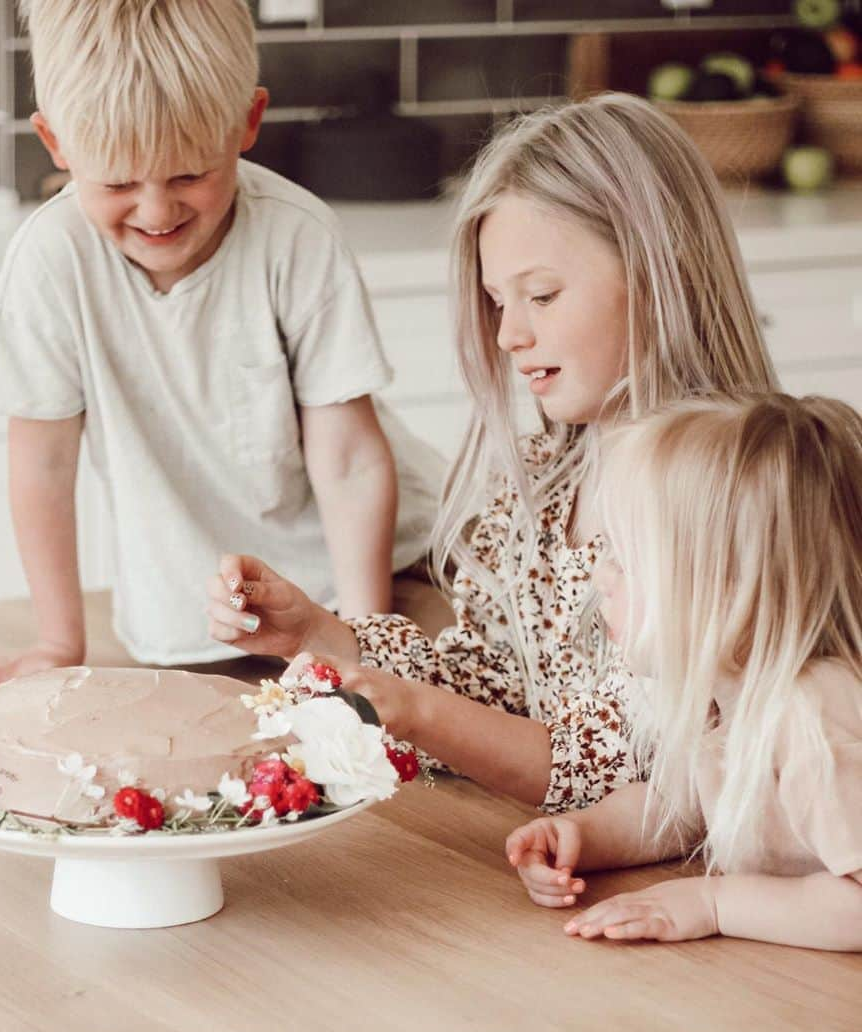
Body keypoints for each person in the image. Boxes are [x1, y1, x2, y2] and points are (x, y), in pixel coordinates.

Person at [207, 93, 777, 813]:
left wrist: (418, 714)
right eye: (497, 303)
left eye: (541, 295)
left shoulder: (725, 496)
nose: (509, 336)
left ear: (663, 272)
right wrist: (322, 636)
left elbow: (626, 767)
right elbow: (499, 682)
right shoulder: (544, 479)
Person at [0, 0, 442, 692]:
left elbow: (349, 461)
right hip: (194, 622)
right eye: (116, 183)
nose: (157, 211)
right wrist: (57, 641)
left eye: (190, 175)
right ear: (56, 144)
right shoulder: (51, 262)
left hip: (389, 570)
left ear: (247, 123)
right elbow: (44, 466)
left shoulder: (297, 238)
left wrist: (361, 640)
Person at [506, 394, 862, 951]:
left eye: (625, 559)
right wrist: (581, 836)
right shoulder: (722, 691)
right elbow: (681, 809)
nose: (601, 575)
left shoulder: (812, 715)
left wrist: (714, 902)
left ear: (727, 591)